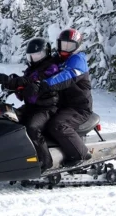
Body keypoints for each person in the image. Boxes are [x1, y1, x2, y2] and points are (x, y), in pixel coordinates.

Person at [0, 37, 59, 173]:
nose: (34, 58)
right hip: (32, 107)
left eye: (37, 54)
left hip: (47, 108)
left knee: (32, 128)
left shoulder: (51, 67)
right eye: (31, 55)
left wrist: (14, 82)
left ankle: (45, 162)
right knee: (10, 120)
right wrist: (9, 82)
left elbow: (32, 81)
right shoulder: (32, 69)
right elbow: (24, 86)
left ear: (45, 53)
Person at [38, 28, 93, 168]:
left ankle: (80, 155)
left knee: (58, 125)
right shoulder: (58, 59)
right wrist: (19, 82)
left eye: (70, 45)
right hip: (62, 105)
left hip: (79, 108)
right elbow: (40, 70)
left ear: (77, 46)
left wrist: (45, 85)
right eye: (63, 44)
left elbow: (66, 76)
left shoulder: (77, 60)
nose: (65, 49)